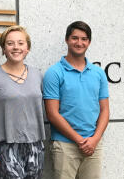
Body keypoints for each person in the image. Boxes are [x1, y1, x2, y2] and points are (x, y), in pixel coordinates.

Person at [0, 25, 46, 178]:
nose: (16, 47)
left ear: (27, 48)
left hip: (35, 146)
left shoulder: (38, 75)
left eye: (21, 43)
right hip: (5, 147)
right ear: (3, 49)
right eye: (10, 43)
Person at [43, 21, 110, 179]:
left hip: (93, 145)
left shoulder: (98, 73)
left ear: (89, 42)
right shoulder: (54, 73)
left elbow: (105, 110)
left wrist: (94, 140)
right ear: (67, 40)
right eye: (74, 38)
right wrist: (80, 140)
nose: (79, 43)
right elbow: (52, 114)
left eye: (84, 39)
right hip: (65, 145)